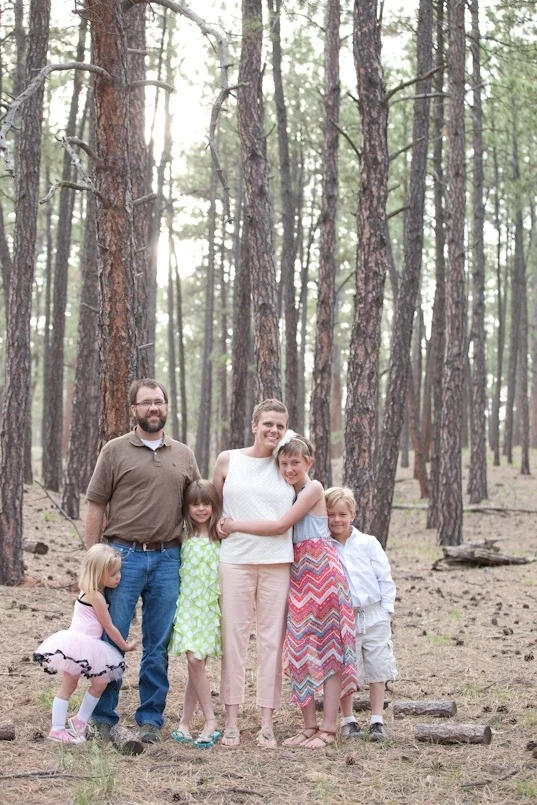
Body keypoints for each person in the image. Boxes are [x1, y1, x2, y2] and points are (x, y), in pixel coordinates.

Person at [221, 432, 357, 749]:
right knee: (298, 649)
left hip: (322, 574)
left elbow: (281, 526)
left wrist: (234, 525)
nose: (289, 469)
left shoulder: (313, 489)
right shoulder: (286, 491)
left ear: (309, 462)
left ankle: (328, 728)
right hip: (298, 575)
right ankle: (309, 725)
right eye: (283, 463)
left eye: (295, 462)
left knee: (329, 648)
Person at [85, 378, 200, 749]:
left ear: (166, 407)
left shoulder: (183, 454)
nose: (154, 408)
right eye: (147, 402)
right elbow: (95, 504)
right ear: (133, 409)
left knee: (157, 644)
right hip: (123, 557)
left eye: (159, 402)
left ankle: (150, 718)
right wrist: (93, 559)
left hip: (169, 558)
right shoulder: (115, 450)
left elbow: (197, 505)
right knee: (112, 638)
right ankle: (103, 718)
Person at [213, 399, 295, 748]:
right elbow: (212, 505)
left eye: (280, 425)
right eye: (267, 424)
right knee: (233, 639)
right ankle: (231, 721)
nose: (273, 430)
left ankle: (266, 723)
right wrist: (218, 526)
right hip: (235, 560)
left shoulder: (287, 464)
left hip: (277, 562)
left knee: (271, 642)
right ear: (254, 425)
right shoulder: (228, 459)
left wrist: (288, 441)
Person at [34, 544, 138, 744]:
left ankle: (79, 720)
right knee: (69, 685)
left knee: (101, 682)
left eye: (119, 572)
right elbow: (108, 626)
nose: (118, 577)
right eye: (113, 574)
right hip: (77, 647)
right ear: (97, 574)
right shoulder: (95, 596)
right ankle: (57, 729)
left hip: (89, 646)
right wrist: (125, 646)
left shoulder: (94, 591)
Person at [325, 486, 397, 742]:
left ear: (353, 515)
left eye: (342, 514)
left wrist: (387, 611)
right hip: (344, 618)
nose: (337, 520)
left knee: (378, 666)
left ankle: (377, 720)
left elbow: (384, 578)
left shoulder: (368, 543)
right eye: (331, 514)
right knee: (347, 668)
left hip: (374, 614)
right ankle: (349, 720)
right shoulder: (325, 547)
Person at [169, 480, 222, 748]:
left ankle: (186, 722)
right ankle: (208, 720)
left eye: (206, 504)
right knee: (194, 661)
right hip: (188, 608)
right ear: (187, 507)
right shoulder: (183, 537)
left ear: (214, 506)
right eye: (195, 504)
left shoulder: (221, 537)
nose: (201, 509)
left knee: (196, 665)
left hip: (210, 610)